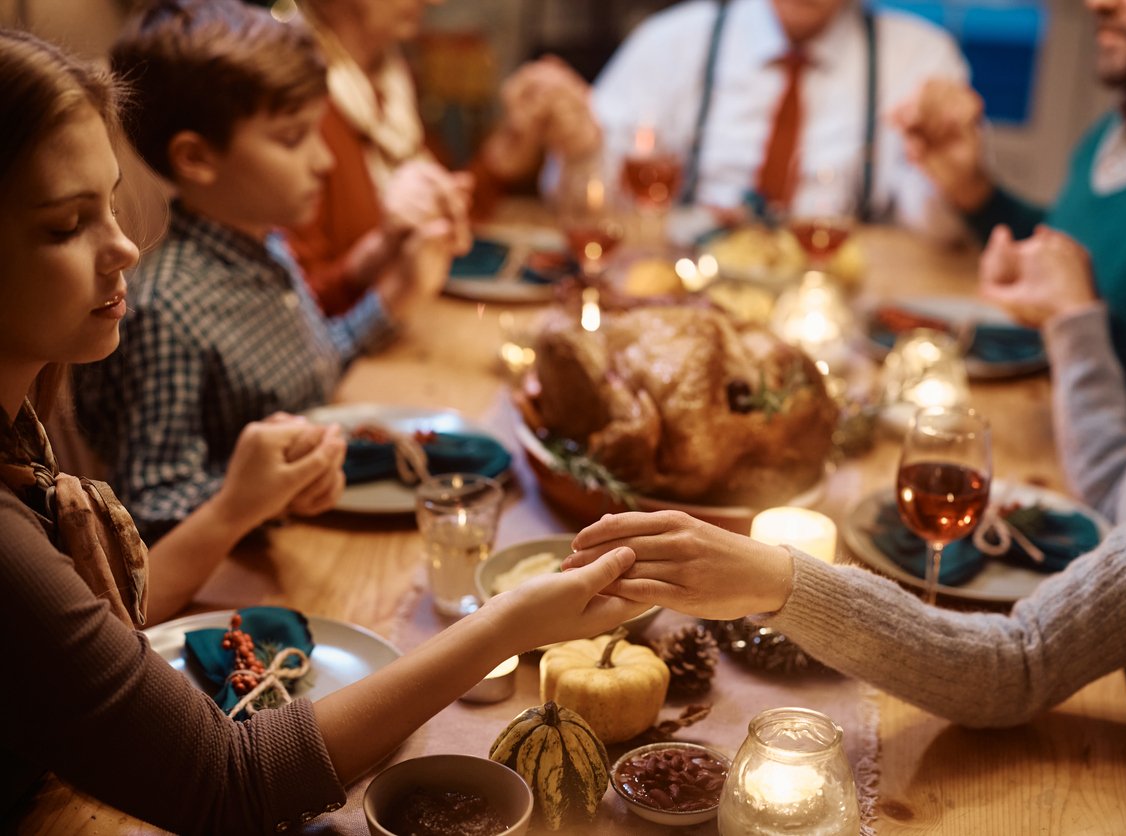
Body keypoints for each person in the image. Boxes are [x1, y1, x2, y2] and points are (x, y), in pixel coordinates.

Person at [567, 6, 1126, 830]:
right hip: (1112, 700)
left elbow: (1019, 665)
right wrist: (1071, 325)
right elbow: (1119, 500)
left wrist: (770, 578)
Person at [0, 30, 647, 833]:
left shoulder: (21, 427)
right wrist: (510, 623)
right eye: (66, 226)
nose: (126, 244)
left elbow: (102, 627)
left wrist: (239, 505)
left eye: (110, 203)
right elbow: (226, 781)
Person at [72, 0, 460, 544]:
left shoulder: (266, 244)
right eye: (292, 138)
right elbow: (152, 503)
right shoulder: (169, 311)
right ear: (197, 158)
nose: (323, 162)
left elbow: (313, 370)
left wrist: (396, 292)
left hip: (317, 528)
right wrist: (269, 489)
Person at [893, 0, 1126, 418]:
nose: (1097, 4)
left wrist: (1081, 319)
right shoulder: (1111, 129)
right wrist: (974, 192)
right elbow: (1070, 249)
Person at [288, 0, 599, 315]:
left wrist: (507, 152)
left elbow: (442, 221)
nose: (435, 1)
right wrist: (376, 258)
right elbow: (288, 309)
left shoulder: (391, 77)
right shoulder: (291, 99)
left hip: (411, 325)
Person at [586, 0, 970, 239]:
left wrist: (955, 178)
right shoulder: (671, 41)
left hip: (835, 300)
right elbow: (591, 193)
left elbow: (938, 230)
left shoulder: (920, 58)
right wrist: (579, 149)